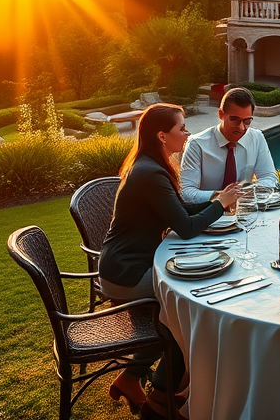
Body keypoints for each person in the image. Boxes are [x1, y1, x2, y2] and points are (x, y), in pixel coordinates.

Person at [99, 103, 242, 419]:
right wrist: (220, 204)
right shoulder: (149, 172)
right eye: (182, 128)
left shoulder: (151, 164)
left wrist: (218, 202)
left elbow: (179, 212)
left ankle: (131, 379)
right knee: (187, 315)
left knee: (185, 308)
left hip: (132, 264)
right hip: (127, 273)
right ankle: (161, 401)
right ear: (162, 135)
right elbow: (187, 228)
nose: (187, 133)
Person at [179, 87, 278, 204]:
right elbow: (186, 193)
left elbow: (270, 178)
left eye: (247, 121)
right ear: (221, 114)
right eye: (235, 120)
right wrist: (223, 197)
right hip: (208, 215)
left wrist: (246, 192)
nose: (241, 128)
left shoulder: (256, 138)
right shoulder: (197, 144)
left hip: (246, 213)